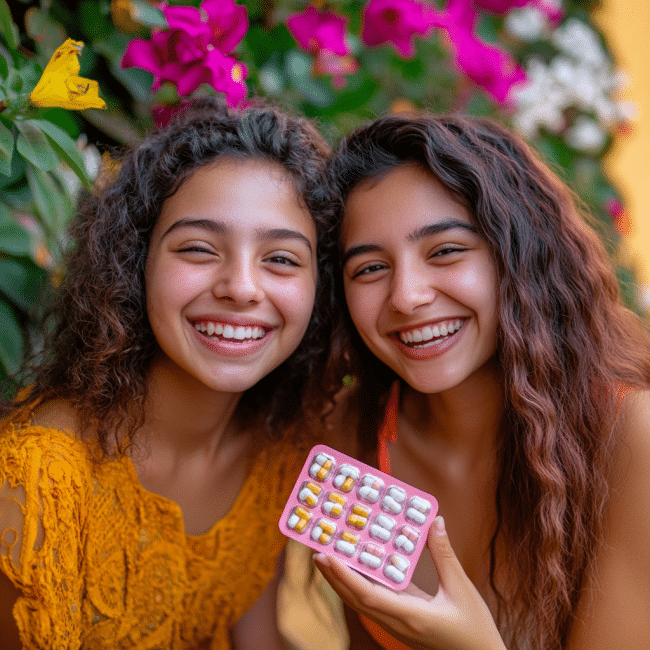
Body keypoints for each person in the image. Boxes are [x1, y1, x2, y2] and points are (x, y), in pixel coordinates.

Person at [0, 97, 337, 649]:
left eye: (281, 259)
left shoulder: (276, 453)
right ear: (136, 264)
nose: (242, 287)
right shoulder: (42, 478)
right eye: (200, 249)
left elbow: (258, 638)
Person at [313, 112, 650, 650]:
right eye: (370, 268)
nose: (406, 296)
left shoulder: (631, 439)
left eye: (445, 251)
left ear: (518, 257)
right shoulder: (350, 434)